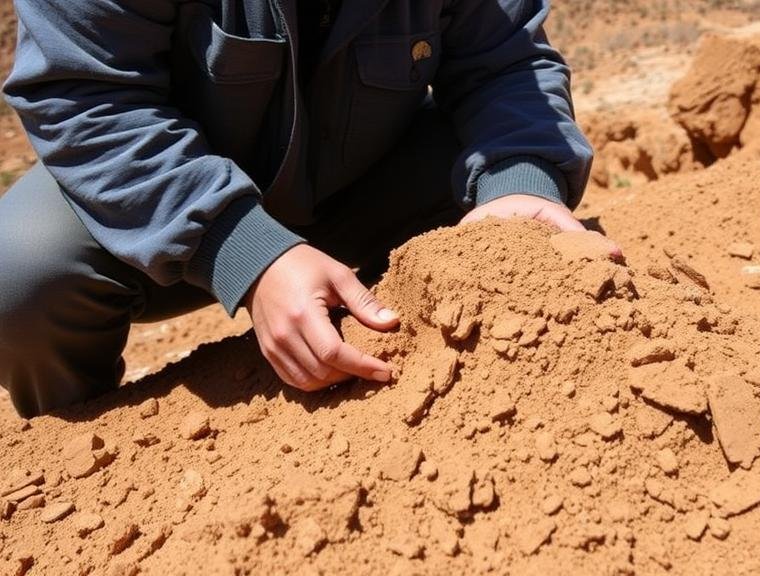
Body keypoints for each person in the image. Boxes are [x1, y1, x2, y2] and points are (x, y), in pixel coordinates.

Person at [0, 0, 596, 417]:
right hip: (171, 211)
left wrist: (520, 182)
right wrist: (244, 251)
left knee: (501, 167)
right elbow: (87, 98)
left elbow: (508, 62)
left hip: (368, 184)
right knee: (21, 273)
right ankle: (88, 461)